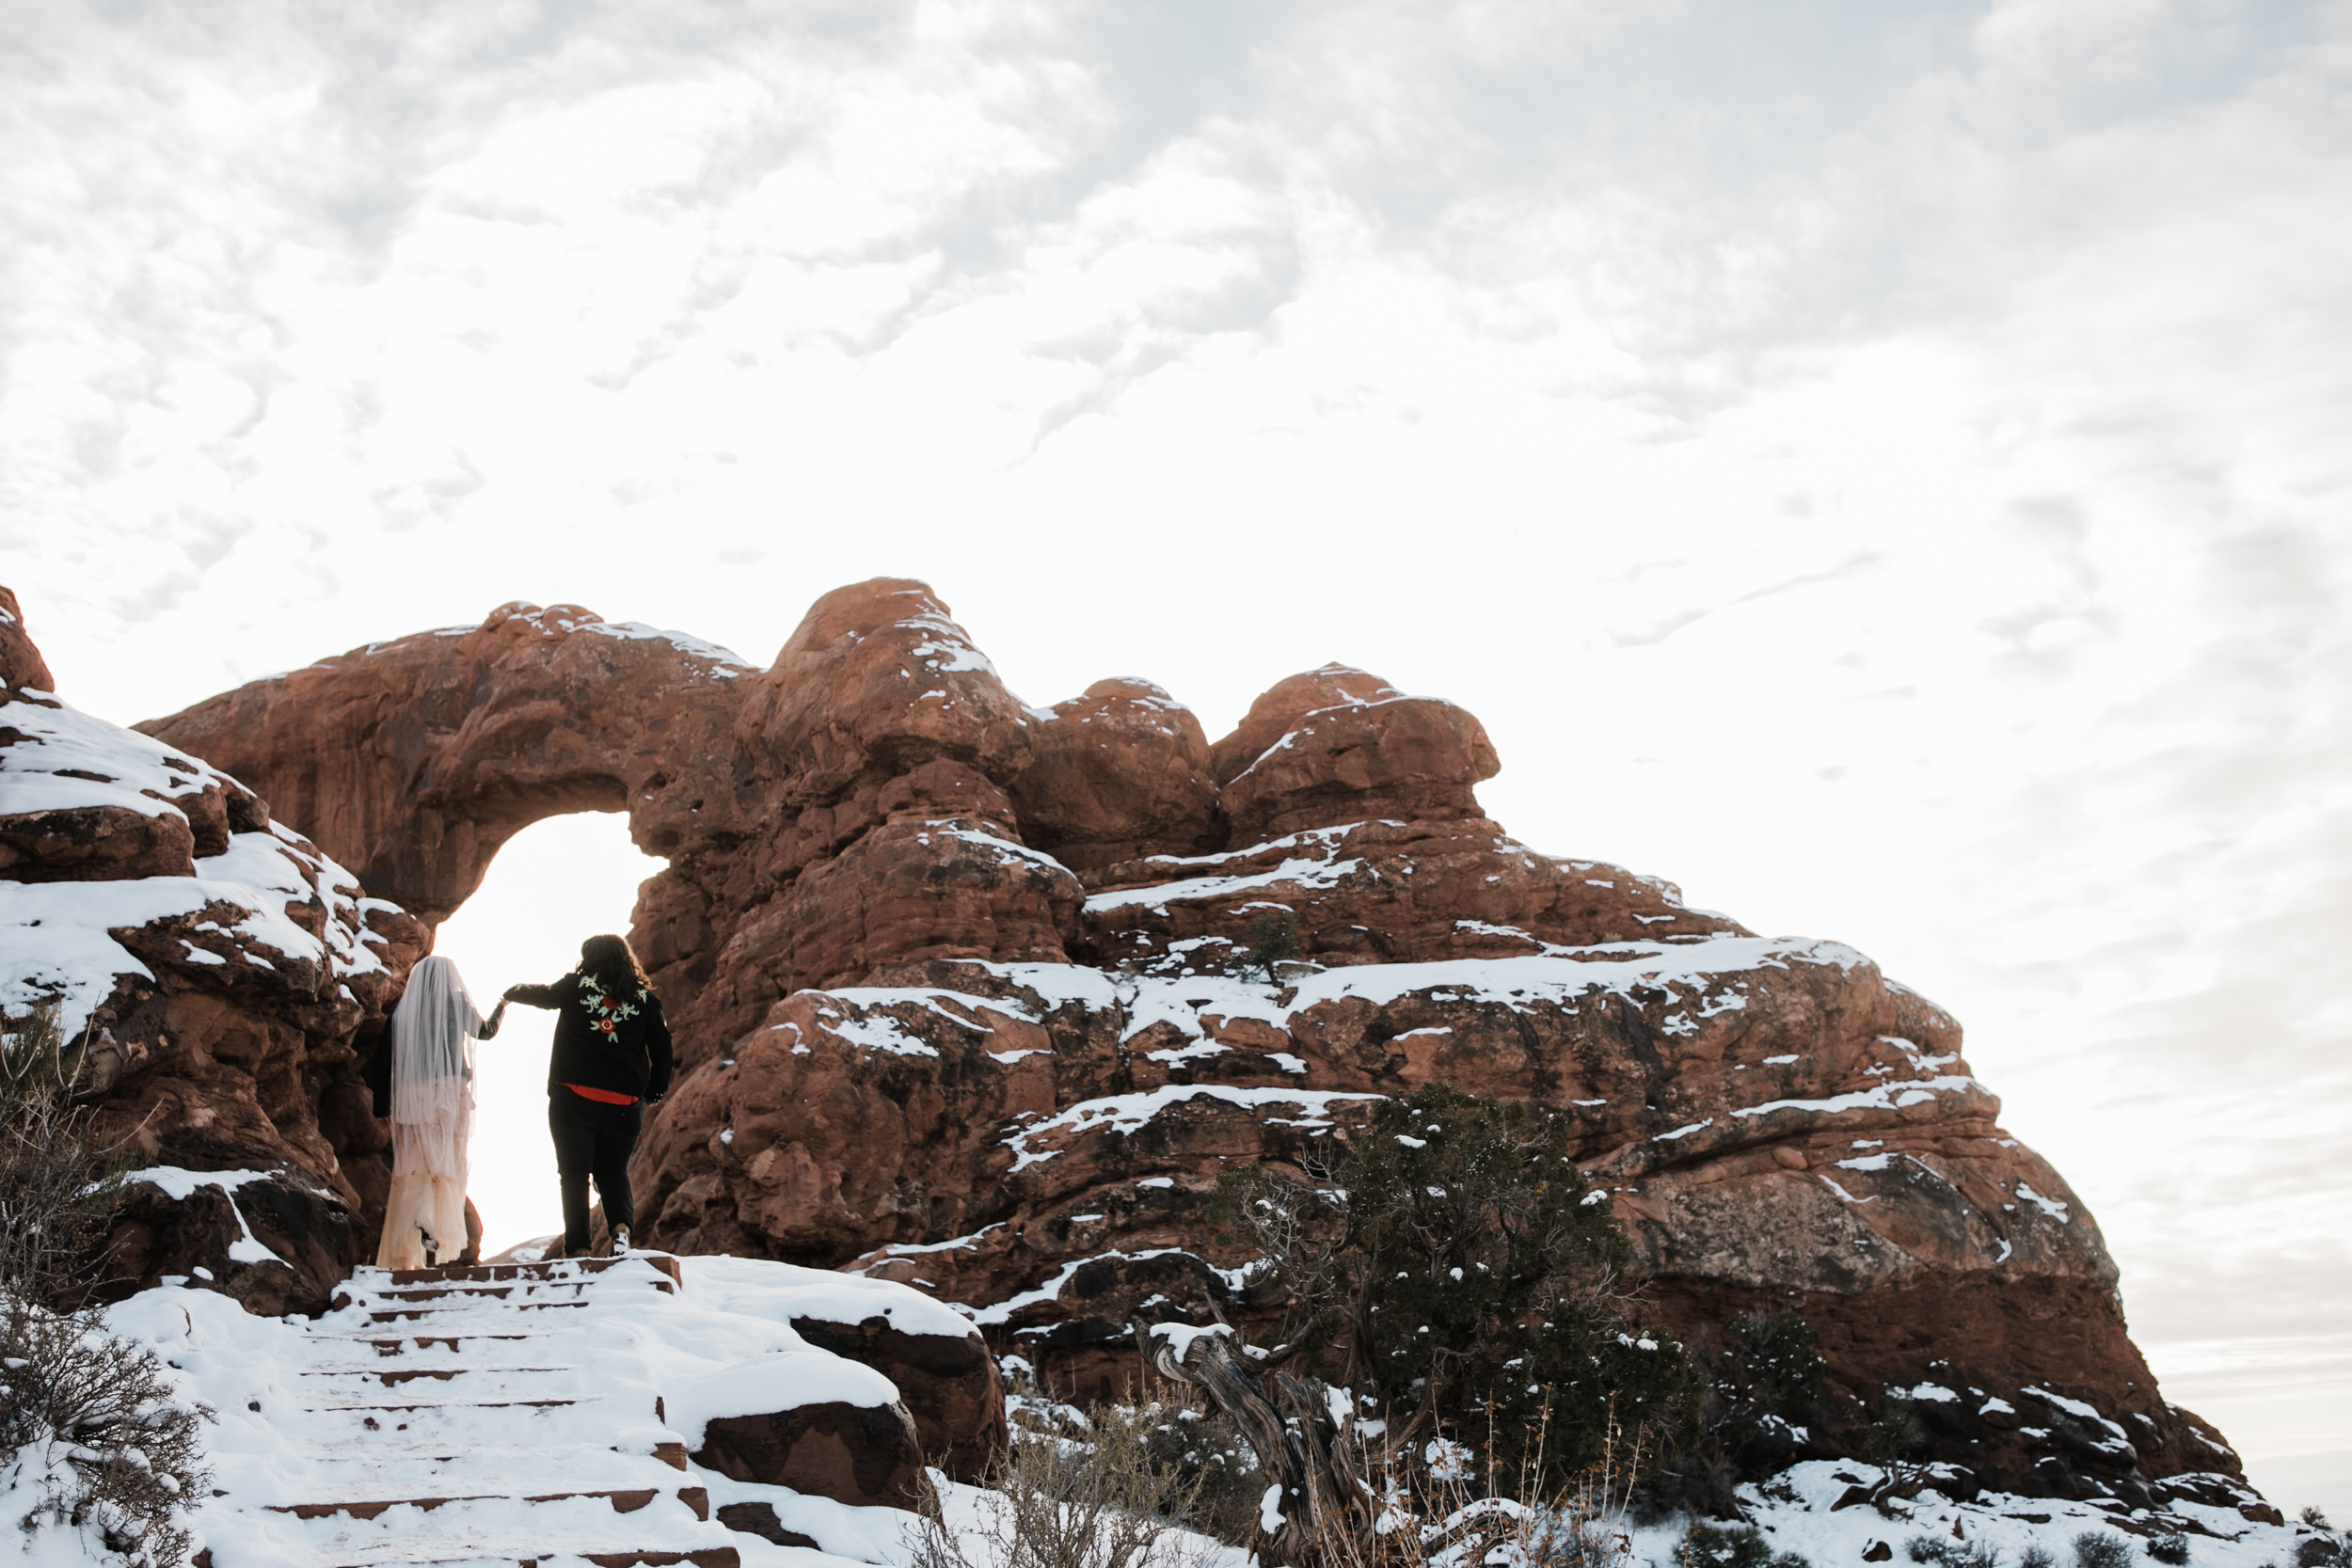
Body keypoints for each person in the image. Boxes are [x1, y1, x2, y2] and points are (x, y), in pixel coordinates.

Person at [503, 934, 673, 1259]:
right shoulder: (646, 1001)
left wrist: (513, 991)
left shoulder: (577, 987)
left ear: (589, 958)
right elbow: (664, 1050)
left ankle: (578, 1247)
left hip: (573, 1099)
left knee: (574, 1173)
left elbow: (543, 996)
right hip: (624, 1105)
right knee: (613, 1169)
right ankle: (621, 1230)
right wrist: (654, 1089)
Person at [374, 955, 505, 1269]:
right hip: (447, 1095)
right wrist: (502, 1007)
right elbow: (484, 1031)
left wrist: (382, 1105)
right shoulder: (455, 1003)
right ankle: (435, 1225)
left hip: (410, 1096)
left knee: (415, 1164)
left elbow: (383, 1060)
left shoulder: (402, 1012)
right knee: (446, 1163)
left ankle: (418, 1222)